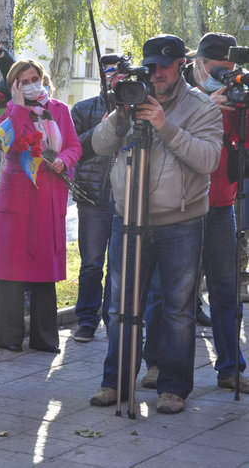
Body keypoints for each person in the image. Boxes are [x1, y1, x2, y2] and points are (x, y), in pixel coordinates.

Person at [89, 34, 222, 414]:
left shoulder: (201, 107)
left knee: (178, 310)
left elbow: (209, 160)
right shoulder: (131, 98)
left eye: (165, 65)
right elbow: (99, 145)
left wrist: (164, 125)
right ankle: (115, 382)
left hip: (179, 222)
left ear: (181, 64)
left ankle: (173, 388)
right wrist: (119, 114)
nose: (157, 73)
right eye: (150, 66)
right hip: (127, 218)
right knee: (118, 305)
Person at [142, 32, 248, 392]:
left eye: (231, 72)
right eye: (219, 71)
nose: (226, 79)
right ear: (198, 65)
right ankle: (154, 362)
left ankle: (231, 366)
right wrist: (209, 105)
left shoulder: (238, 98)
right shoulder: (177, 96)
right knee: (166, 292)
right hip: (180, 210)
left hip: (219, 207)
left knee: (225, 289)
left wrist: (242, 111)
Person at [0, 59, 82, 354]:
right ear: (14, 84)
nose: (31, 84)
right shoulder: (8, 112)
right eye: (23, 80)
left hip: (49, 196)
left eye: (34, 78)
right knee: (12, 270)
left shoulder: (60, 110)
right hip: (17, 198)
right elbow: (7, 144)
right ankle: (9, 336)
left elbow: (75, 146)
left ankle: (45, 337)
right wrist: (16, 106)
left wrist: (63, 160)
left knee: (45, 269)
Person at [71, 69, 127, 342]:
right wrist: (101, 129)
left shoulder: (137, 107)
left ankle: (113, 319)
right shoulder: (83, 109)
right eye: (111, 74)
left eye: (122, 75)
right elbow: (73, 149)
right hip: (94, 197)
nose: (117, 80)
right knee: (92, 264)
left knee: (118, 265)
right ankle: (86, 321)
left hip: (125, 198)